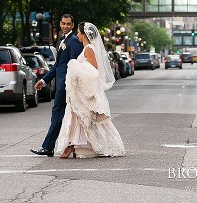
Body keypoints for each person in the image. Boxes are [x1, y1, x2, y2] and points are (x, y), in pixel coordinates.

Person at [55, 22, 126, 158]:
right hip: (81, 90)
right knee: (80, 118)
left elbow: (94, 71)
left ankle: (72, 146)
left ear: (84, 34)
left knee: (82, 117)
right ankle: (75, 145)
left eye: (78, 32)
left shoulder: (89, 48)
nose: (77, 35)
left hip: (87, 90)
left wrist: (76, 67)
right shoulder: (87, 48)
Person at [30, 14, 83, 156]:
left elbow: (74, 66)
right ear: (60, 24)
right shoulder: (62, 41)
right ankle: (59, 146)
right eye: (63, 23)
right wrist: (44, 80)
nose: (65, 26)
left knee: (58, 115)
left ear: (72, 25)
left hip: (66, 86)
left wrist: (70, 86)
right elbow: (57, 66)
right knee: (60, 116)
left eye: (68, 24)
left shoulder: (73, 41)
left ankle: (48, 146)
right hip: (61, 85)